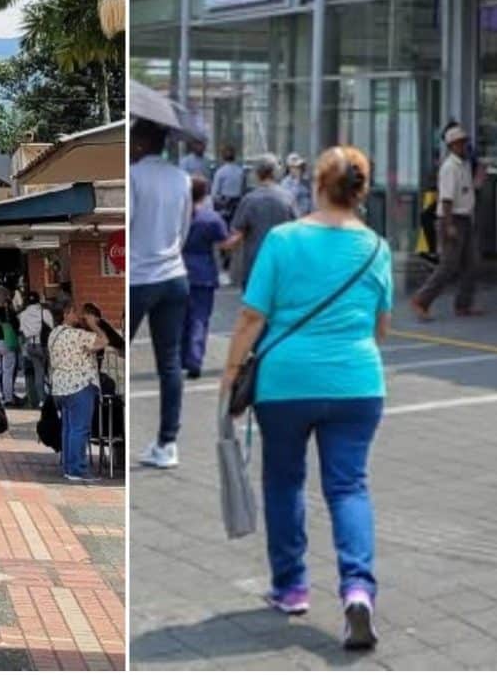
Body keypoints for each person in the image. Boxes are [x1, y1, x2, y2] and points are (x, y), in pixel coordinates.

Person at [221, 145, 393, 654]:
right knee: (349, 487)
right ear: (361, 191)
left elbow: (252, 316)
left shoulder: (284, 240)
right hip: (357, 382)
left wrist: (230, 375)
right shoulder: (376, 247)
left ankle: (292, 588)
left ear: (316, 185)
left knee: (284, 483)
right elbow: (381, 326)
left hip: (286, 383)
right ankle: (357, 590)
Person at [127, 109, 194, 471]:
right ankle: (168, 443)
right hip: (174, 276)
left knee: (116, 347)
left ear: (140, 143)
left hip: (139, 278)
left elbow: (128, 223)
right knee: (170, 363)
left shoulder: (134, 176)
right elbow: (184, 230)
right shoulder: (182, 179)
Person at [409, 125, 483, 321]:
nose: (464, 145)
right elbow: (447, 199)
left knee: (471, 263)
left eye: (465, 142)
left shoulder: (464, 164)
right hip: (452, 218)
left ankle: (463, 304)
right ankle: (421, 300)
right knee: (448, 266)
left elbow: (465, 191)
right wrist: (449, 224)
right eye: (460, 143)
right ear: (452, 145)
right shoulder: (450, 167)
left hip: (465, 218)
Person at [48, 302, 120, 483]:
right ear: (66, 313)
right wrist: (94, 325)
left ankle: (68, 467)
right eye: (75, 313)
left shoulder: (54, 333)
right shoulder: (78, 335)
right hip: (79, 385)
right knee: (80, 429)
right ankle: (78, 469)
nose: (78, 317)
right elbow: (104, 341)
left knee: (68, 429)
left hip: (60, 386)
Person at [222, 157, 299, 298]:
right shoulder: (288, 198)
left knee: (254, 306)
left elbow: (237, 234)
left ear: (257, 174)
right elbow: (297, 230)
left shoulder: (249, 200)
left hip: (255, 263)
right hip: (282, 262)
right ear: (276, 172)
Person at [180, 178, 227, 379]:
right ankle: (194, 359)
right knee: (199, 318)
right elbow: (224, 243)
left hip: (178, 270)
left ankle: (181, 358)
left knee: (181, 318)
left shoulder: (176, 215)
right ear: (205, 194)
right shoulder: (211, 218)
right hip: (203, 272)